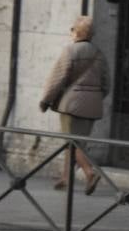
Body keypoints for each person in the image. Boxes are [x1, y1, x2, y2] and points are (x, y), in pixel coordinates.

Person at [39, 15, 108, 195]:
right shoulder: (99, 54)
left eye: (72, 29)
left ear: (76, 32)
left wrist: (45, 100)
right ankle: (66, 177)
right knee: (77, 143)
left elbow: (57, 78)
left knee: (72, 142)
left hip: (71, 105)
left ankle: (90, 172)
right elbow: (106, 83)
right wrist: (95, 97)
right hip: (92, 107)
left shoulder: (70, 51)